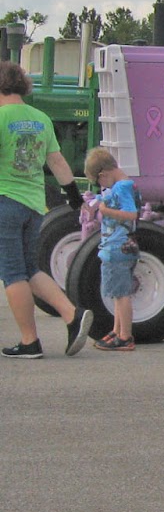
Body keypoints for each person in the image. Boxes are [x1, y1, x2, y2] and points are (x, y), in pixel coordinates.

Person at [0, 60, 92, 358]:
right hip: (33, 204)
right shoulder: (40, 118)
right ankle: (72, 314)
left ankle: (30, 341)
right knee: (30, 269)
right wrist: (75, 198)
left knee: (12, 273)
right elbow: (57, 161)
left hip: (4, 200)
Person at [83, 147, 138, 351]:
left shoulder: (122, 187)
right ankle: (117, 331)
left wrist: (106, 211)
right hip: (120, 246)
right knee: (117, 292)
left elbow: (131, 214)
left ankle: (125, 336)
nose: (100, 186)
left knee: (121, 294)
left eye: (98, 181)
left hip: (118, 246)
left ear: (103, 173)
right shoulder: (121, 186)